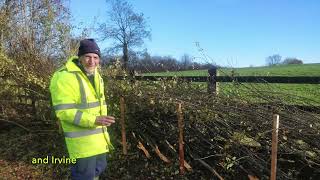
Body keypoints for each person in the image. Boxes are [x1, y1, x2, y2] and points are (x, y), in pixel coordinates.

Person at [50, 39, 115, 180]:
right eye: (88, 56)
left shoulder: (96, 75)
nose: (92, 61)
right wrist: (94, 120)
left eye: (96, 57)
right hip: (82, 144)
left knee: (98, 170)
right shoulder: (64, 76)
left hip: (99, 140)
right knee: (84, 176)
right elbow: (64, 111)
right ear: (80, 58)